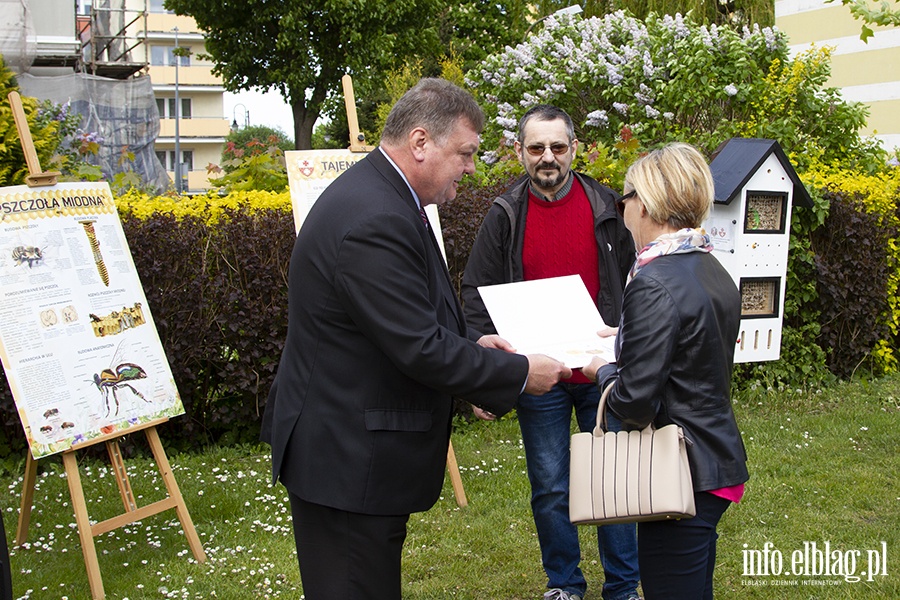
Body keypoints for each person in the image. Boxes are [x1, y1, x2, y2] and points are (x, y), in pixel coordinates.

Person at [260, 78, 571, 600]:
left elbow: (408, 321)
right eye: (466, 153)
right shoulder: (375, 216)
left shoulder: (386, 197)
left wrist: (474, 351)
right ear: (422, 143)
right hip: (346, 462)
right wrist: (520, 374)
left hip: (354, 456)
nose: (472, 168)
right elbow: (417, 347)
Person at [461, 105, 640, 600]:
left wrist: (635, 346)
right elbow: (475, 293)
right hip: (539, 377)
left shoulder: (608, 205)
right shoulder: (504, 214)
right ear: (519, 151)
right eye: (536, 147)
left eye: (557, 147)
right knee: (551, 487)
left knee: (614, 485)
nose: (547, 157)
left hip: (602, 373)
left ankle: (623, 587)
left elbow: (638, 278)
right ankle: (565, 584)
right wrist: (484, 374)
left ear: (574, 149)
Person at [584, 142, 749, 600]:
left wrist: (602, 370)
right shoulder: (708, 265)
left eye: (626, 198)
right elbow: (690, 346)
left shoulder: (654, 280)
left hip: (682, 473)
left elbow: (634, 403)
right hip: (711, 458)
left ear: (649, 201)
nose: (623, 210)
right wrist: (626, 335)